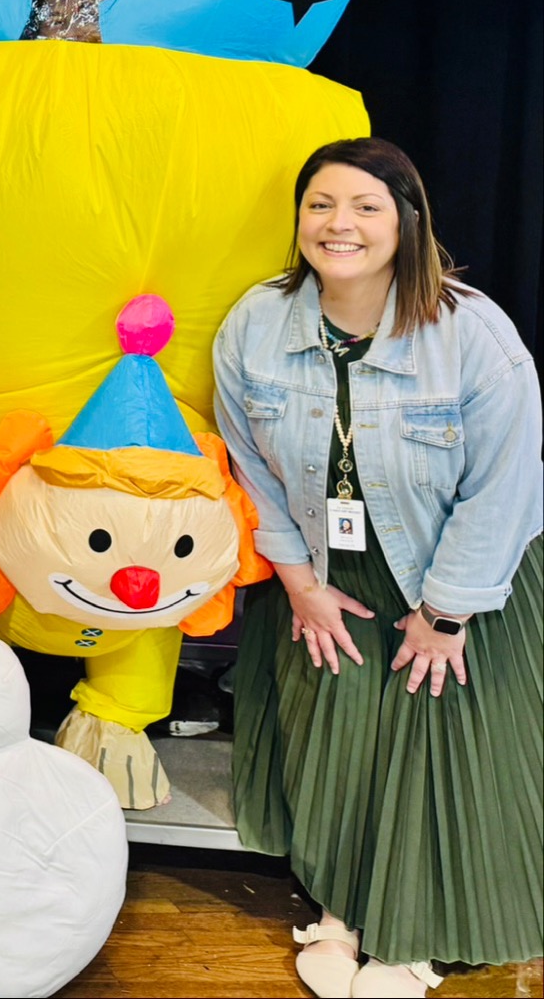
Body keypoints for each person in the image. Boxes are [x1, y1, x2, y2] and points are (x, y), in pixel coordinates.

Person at [213, 138, 541, 999]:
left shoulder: (472, 331)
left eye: (366, 206)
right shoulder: (255, 322)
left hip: (457, 574)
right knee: (337, 743)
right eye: (320, 204)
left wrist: (447, 613)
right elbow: (247, 463)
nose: (340, 224)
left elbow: (506, 483)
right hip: (326, 572)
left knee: (436, 749)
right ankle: (341, 913)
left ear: (407, 220)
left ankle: (412, 935)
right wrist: (299, 584)